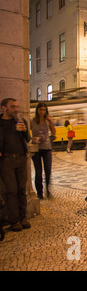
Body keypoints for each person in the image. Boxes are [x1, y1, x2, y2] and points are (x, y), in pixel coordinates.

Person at [0, 98, 32, 231]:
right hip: (7, 160)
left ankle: (23, 217)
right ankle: (14, 220)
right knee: (11, 191)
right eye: (12, 107)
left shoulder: (20, 121)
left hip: (21, 158)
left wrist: (25, 130)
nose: (16, 109)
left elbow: (28, 139)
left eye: (17, 107)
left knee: (21, 189)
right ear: (4, 108)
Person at [31, 102, 56, 199]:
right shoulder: (32, 121)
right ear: (37, 110)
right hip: (36, 148)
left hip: (47, 148)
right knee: (38, 171)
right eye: (40, 109)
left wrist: (52, 123)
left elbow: (54, 132)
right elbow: (28, 133)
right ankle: (40, 193)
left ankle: (48, 191)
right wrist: (32, 138)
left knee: (48, 171)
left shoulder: (47, 120)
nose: (42, 112)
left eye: (44, 110)